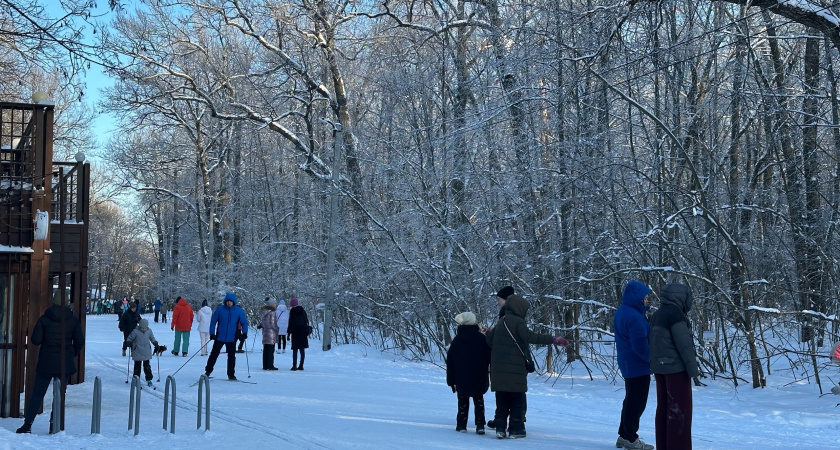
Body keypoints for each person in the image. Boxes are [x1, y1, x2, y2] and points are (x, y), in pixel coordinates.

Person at [485, 294, 568, 439]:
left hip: (499, 372)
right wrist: (553, 339)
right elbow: (531, 337)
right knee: (517, 400)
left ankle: (500, 428)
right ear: (519, 308)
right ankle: (516, 429)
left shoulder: (501, 322)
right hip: (515, 371)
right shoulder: (518, 322)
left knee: (502, 401)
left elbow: (489, 341)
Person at [16, 291, 85, 434]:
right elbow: (79, 341)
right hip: (63, 363)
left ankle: (27, 424)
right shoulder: (72, 320)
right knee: (59, 395)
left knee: (37, 394)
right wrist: (71, 354)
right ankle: (54, 424)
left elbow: (35, 340)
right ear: (66, 303)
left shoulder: (44, 319)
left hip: (46, 362)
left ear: (53, 302)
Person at [649, 283, 700, 450]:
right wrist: (692, 370)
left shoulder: (657, 314)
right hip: (676, 370)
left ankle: (663, 446)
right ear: (681, 297)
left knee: (664, 409)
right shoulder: (676, 314)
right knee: (680, 412)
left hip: (659, 369)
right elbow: (684, 345)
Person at [614, 281, 655, 450]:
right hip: (637, 365)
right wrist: (652, 360)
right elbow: (640, 345)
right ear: (637, 298)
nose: (647, 300)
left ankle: (624, 435)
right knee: (636, 403)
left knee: (630, 400)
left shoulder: (623, 311)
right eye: (645, 297)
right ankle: (630, 438)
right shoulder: (635, 317)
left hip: (628, 363)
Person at [446, 312, 491, 434]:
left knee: (462, 400)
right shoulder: (482, 338)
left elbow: (450, 360)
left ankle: (461, 424)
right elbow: (489, 356)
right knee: (479, 400)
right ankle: (480, 425)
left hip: (461, 376)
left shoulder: (457, 340)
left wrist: (451, 380)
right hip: (479, 375)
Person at [205, 293, 248, 380]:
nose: (229, 303)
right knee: (214, 355)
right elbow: (213, 321)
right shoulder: (220, 309)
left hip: (232, 338)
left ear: (234, 302)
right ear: (225, 301)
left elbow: (244, 322)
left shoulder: (238, 311)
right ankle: (208, 371)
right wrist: (212, 333)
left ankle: (231, 374)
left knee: (231, 357)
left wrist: (245, 333)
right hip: (220, 337)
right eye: (227, 301)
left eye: (231, 302)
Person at [123, 319, 159, 388]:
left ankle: (149, 379)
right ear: (140, 326)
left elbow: (152, 338)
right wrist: (128, 342)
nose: (143, 329)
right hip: (137, 351)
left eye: (145, 328)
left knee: (147, 367)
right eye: (142, 328)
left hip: (146, 351)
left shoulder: (149, 331)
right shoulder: (135, 331)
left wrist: (155, 343)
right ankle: (136, 379)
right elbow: (130, 337)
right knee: (137, 367)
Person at [288, 298, 310, 371]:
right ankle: (301, 365)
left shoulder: (292, 311)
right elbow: (306, 321)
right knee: (302, 349)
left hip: (295, 332)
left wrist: (288, 333)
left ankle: (294, 365)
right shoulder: (303, 311)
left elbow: (290, 322)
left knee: (295, 349)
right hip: (303, 332)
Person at [258, 298, 280, 370]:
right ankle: (270, 365)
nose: (275, 305)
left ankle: (265, 365)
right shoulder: (272, 312)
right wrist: (277, 328)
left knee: (266, 349)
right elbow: (273, 324)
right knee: (271, 350)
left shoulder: (264, 312)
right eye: (275, 304)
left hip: (265, 332)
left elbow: (263, 323)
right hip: (271, 333)